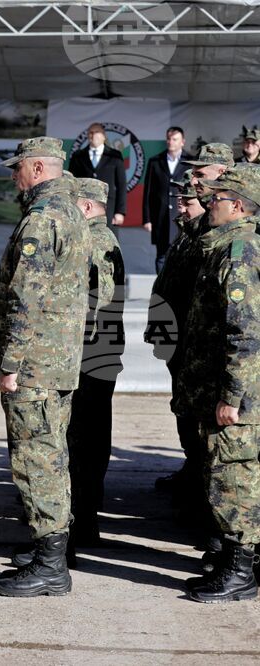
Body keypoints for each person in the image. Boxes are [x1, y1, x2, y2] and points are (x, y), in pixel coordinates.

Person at [0, 137, 90, 597]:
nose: (13, 176)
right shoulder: (71, 214)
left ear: (39, 168)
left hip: (35, 367)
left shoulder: (44, 219)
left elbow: (26, 299)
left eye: (18, 168)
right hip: (55, 363)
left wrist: (11, 363)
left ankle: (50, 565)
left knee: (35, 461)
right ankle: (50, 551)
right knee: (50, 458)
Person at [178, 167, 260, 603]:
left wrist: (233, 396)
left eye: (219, 197)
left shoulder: (241, 250)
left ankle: (240, 571)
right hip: (219, 388)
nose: (210, 203)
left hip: (237, 395)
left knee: (235, 480)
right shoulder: (224, 246)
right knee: (227, 476)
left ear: (241, 206)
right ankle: (236, 563)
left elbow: (244, 332)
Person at [66, 178, 126, 556]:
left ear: (86, 207)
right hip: (96, 351)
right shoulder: (98, 238)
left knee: (85, 440)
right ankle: (83, 517)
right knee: (88, 438)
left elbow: (98, 303)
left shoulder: (97, 241)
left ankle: (83, 521)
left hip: (92, 353)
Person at [146, 170, 211, 502]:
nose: (180, 209)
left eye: (187, 202)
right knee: (182, 408)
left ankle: (201, 481)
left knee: (195, 415)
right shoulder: (187, 235)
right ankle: (192, 468)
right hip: (176, 341)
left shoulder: (207, 238)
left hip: (191, 342)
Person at [143, 126, 192, 273]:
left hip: (182, 216)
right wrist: (147, 219)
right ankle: (161, 292)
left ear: (182, 142)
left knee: (182, 255)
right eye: (169, 139)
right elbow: (148, 192)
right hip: (161, 218)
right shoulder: (155, 161)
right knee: (161, 256)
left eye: (174, 139)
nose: (171, 142)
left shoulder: (190, 161)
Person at [67, 123, 127, 226]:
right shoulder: (78, 156)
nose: (93, 135)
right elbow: (71, 183)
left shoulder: (115, 156)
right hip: (83, 209)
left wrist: (120, 212)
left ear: (104, 136)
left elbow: (121, 185)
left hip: (108, 209)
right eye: (90, 132)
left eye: (96, 132)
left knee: (107, 240)